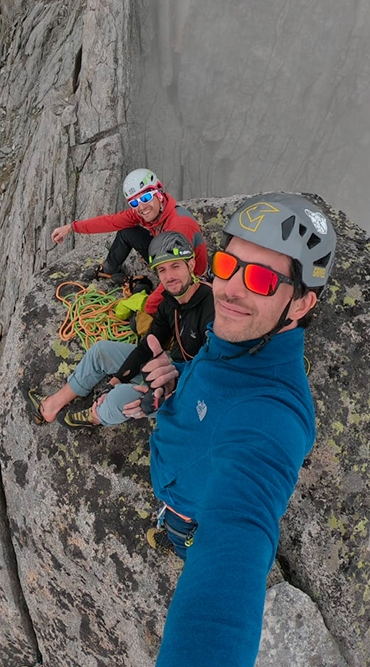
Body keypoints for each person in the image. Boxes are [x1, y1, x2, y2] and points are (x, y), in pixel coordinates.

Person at [140, 193, 337, 667]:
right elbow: (213, 375)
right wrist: (179, 378)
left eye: (263, 278)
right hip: (178, 462)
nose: (230, 289)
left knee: (192, 539)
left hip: (187, 507)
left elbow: (239, 537)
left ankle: (180, 535)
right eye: (228, 263)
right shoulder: (235, 335)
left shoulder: (273, 417)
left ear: (301, 303)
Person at [28, 232, 214, 428]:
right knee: (101, 352)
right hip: (168, 369)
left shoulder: (211, 308)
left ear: (191, 265)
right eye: (162, 270)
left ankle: (96, 416)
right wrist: (112, 383)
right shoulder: (170, 302)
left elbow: (212, 374)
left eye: (175, 266)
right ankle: (51, 406)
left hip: (186, 393)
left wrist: (159, 391)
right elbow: (146, 347)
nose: (169, 277)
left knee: (117, 400)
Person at [50, 169, 208, 315]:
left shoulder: (179, 226)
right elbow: (110, 222)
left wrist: (147, 306)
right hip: (165, 253)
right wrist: (71, 227)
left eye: (146, 198)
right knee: (127, 232)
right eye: (134, 203)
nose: (142, 206)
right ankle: (108, 269)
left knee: (139, 320)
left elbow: (179, 273)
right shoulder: (146, 212)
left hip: (188, 277)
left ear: (159, 194)